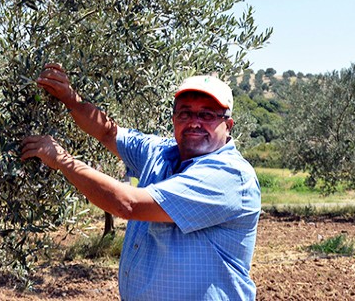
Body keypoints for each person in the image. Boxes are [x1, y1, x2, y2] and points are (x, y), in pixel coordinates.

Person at [21, 64, 261, 300]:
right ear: (174, 118)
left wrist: (62, 160)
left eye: (207, 114)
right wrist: (70, 99)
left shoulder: (229, 176)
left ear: (228, 125)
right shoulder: (162, 152)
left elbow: (126, 204)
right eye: (185, 113)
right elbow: (108, 132)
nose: (194, 122)